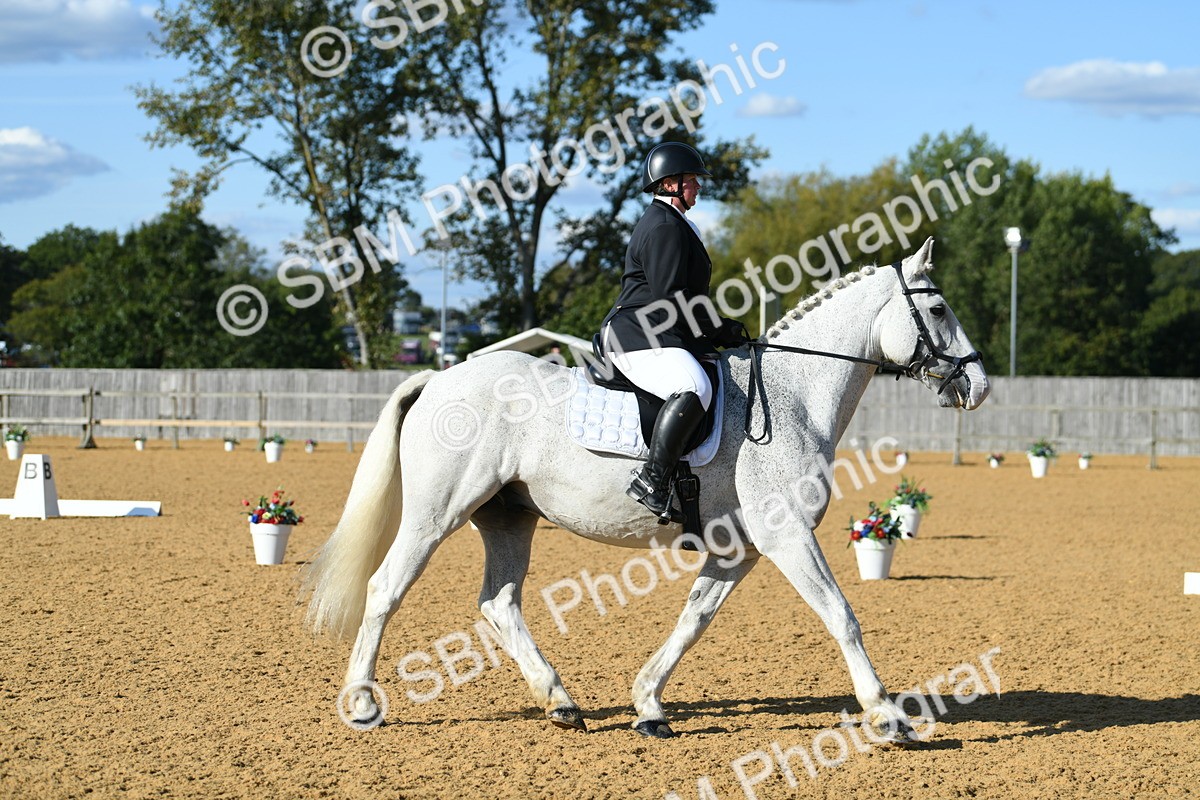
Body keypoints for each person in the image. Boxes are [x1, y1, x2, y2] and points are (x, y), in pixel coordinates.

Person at [600, 142, 748, 521]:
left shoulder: (675, 223)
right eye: (692, 180)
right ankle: (653, 479)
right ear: (670, 184)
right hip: (639, 334)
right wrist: (719, 329)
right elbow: (673, 298)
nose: (698, 186)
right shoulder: (665, 226)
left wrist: (714, 334)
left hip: (660, 332)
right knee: (694, 387)